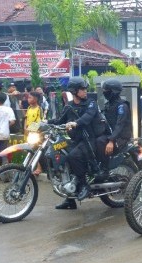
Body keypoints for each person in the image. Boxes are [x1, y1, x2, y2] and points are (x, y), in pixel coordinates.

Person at [48, 77, 100, 209]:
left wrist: (76, 123)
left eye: (85, 89)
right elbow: (60, 120)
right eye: (82, 89)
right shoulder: (69, 105)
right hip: (76, 140)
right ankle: (70, 199)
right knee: (63, 157)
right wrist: (44, 123)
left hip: (89, 140)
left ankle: (84, 185)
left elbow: (87, 117)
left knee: (73, 156)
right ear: (74, 91)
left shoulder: (91, 103)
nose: (85, 91)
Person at [96, 79, 132, 177]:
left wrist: (111, 141)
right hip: (111, 134)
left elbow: (120, 124)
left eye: (106, 90)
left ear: (113, 92)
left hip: (120, 138)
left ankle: (104, 170)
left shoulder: (122, 106)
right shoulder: (108, 105)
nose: (104, 92)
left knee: (100, 141)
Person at [24, 92, 43, 176]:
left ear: (36, 99)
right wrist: (25, 128)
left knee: (37, 150)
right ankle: (28, 166)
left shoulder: (39, 109)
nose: (28, 99)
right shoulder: (29, 108)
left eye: (30, 97)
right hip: (28, 132)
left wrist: (31, 130)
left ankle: (39, 168)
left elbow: (39, 121)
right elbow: (26, 118)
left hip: (36, 133)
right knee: (29, 150)